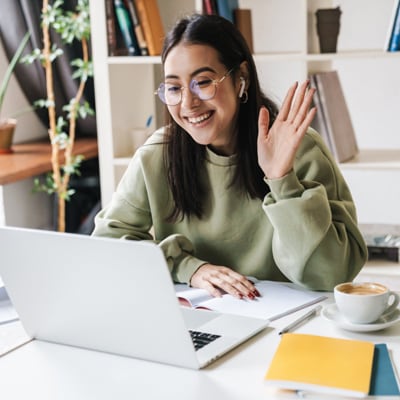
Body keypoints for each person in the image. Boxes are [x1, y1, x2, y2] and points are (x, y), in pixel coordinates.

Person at [92, 14, 367, 300]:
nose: (188, 103)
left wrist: (281, 179)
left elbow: (332, 275)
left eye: (203, 82)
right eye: (174, 88)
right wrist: (188, 268)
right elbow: (106, 247)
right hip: (195, 317)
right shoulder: (158, 154)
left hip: (286, 324)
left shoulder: (300, 148)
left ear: (241, 79)